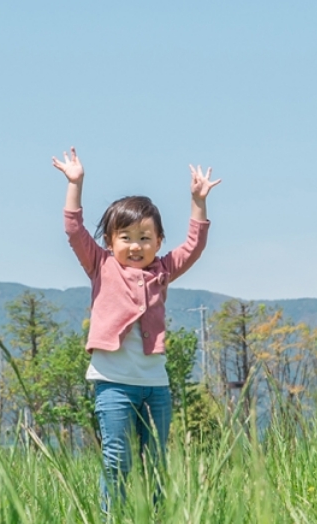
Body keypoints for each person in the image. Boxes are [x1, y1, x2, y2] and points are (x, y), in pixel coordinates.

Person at [49, 148, 219, 513]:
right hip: (112, 381)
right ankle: (112, 517)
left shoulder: (162, 270)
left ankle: (153, 517)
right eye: (125, 237)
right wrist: (75, 183)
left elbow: (194, 246)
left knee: (155, 463)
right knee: (117, 459)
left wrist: (197, 202)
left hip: (155, 383)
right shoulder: (100, 265)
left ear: (158, 242)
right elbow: (74, 229)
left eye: (145, 238)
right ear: (110, 243)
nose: (136, 246)